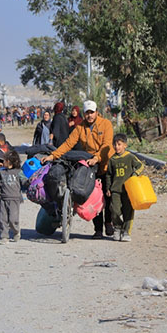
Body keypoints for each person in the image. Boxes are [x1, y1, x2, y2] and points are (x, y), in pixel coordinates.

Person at [43, 100, 114, 239]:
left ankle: (109, 222)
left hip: (105, 165)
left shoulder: (106, 124)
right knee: (92, 196)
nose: (89, 115)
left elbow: (107, 146)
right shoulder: (80, 127)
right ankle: (98, 229)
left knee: (108, 196)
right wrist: (53, 155)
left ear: (96, 112)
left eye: (92, 112)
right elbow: (68, 143)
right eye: (87, 113)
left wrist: (97, 158)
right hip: (91, 166)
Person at [105, 133, 144, 242]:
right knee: (114, 210)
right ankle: (117, 228)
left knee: (128, 211)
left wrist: (135, 174)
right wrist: (108, 188)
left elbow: (140, 166)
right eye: (115, 144)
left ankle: (126, 232)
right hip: (115, 190)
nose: (117, 147)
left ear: (125, 145)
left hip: (128, 190)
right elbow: (108, 175)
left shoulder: (130, 157)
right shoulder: (112, 160)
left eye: (119, 144)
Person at [0, 150, 28, 245]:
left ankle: (16, 231)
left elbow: (24, 181)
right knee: (2, 219)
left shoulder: (18, 172)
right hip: (4, 198)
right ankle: (4, 236)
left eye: (4, 160)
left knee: (13, 219)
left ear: (9, 162)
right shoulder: (2, 172)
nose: (2, 162)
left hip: (15, 199)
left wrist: (29, 182)